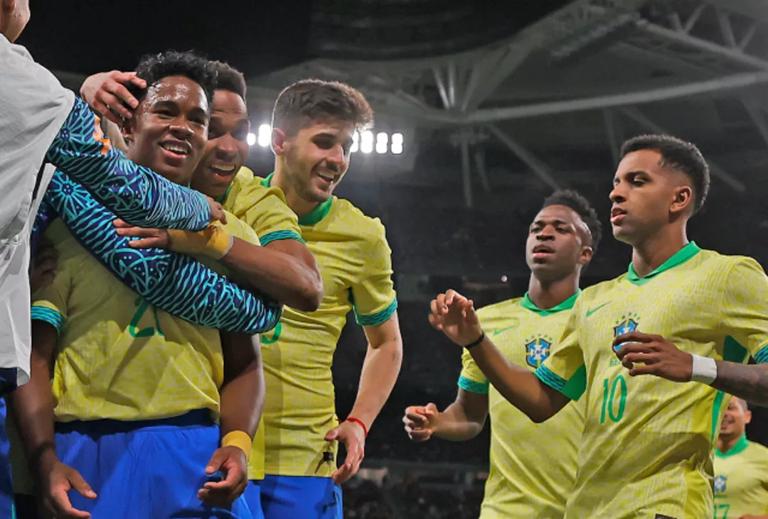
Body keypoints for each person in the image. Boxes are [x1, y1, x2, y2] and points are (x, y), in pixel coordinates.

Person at [428, 134, 768, 518]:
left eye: (637, 182)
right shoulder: (594, 301)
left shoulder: (727, 276)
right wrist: (476, 340)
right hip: (589, 508)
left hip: (666, 503)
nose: (616, 194)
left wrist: (696, 366)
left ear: (679, 199)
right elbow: (541, 400)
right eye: (616, 183)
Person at [10, 51, 260, 519]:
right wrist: (46, 460)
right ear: (128, 127)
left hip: (198, 454)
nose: (183, 127)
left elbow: (245, 363)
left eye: (198, 120)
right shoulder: (68, 228)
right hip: (89, 453)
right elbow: (34, 357)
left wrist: (239, 442)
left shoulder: (230, 236)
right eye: (166, 111)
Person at [226, 79, 402, 519]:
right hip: (224, 441)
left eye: (346, 146)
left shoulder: (363, 236)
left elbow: (386, 343)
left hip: (307, 455)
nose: (338, 160)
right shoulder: (233, 198)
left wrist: (359, 422)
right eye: (325, 143)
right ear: (279, 141)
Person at [403, 190, 600, 518]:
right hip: (505, 510)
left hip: (587, 510)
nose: (544, 233)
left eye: (562, 229)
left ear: (585, 254)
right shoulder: (488, 322)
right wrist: (437, 422)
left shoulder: (600, 319)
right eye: (536, 228)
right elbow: (469, 415)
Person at [713, 397, 768, 519]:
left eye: (730, 408)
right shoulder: (700, 459)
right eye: (718, 409)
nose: (723, 414)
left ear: (747, 416)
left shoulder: (764, 458)